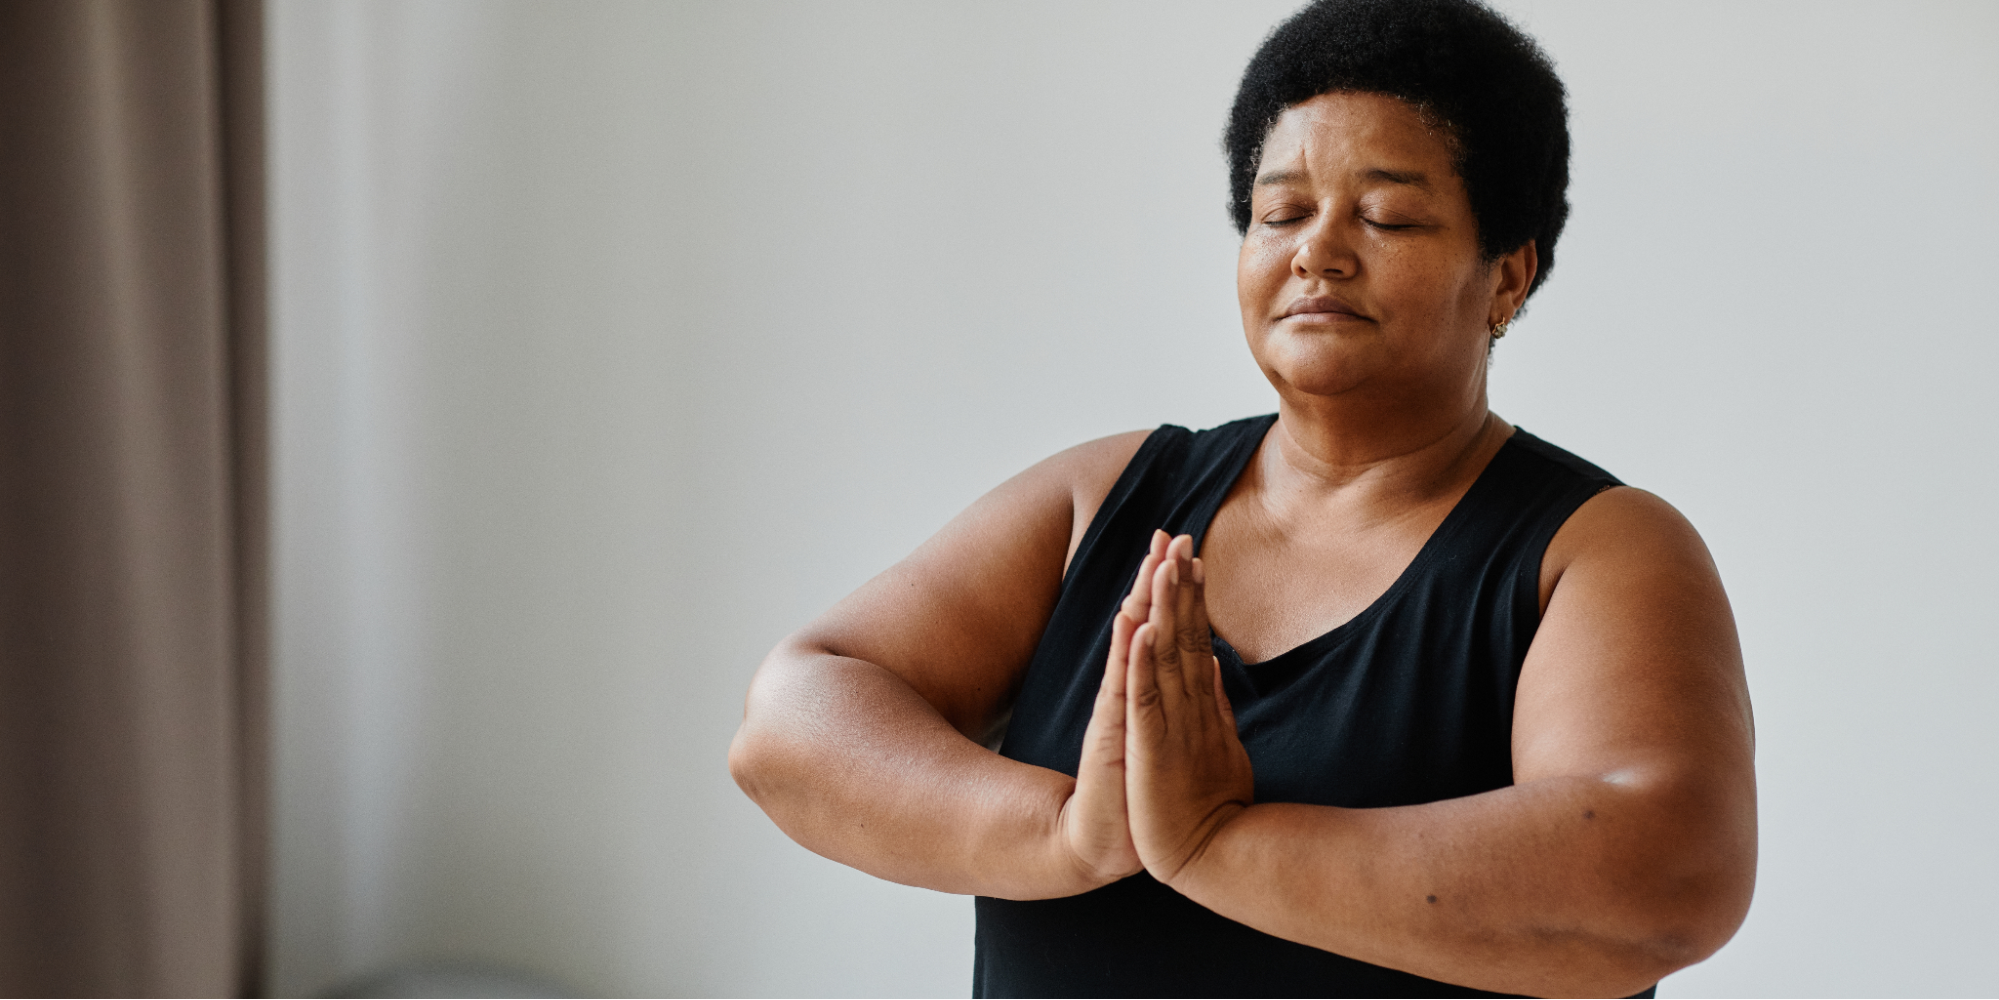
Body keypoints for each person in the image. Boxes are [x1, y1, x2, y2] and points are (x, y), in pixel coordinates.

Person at [728, 0, 1756, 995]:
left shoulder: (1597, 550)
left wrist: (1221, 844)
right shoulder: (1106, 495)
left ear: (1506, 278)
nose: (1318, 249)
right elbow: (789, 721)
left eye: (1387, 213)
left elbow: (1664, 877)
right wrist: (1077, 832)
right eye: (1280, 212)